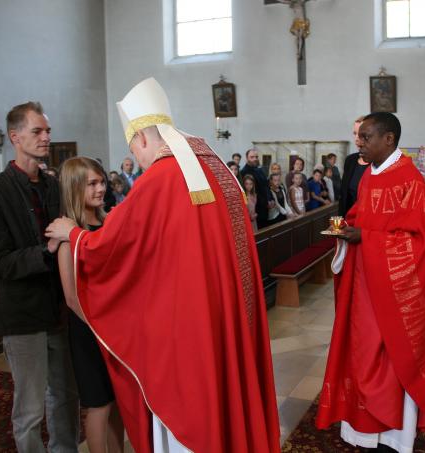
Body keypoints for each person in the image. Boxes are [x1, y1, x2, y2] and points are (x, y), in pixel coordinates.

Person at [45, 77, 280, 453]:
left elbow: (111, 246)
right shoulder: (216, 169)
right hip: (229, 314)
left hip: (187, 329)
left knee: (192, 414)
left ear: (141, 138)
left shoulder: (160, 178)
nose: (137, 159)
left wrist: (73, 234)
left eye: (133, 149)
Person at [316, 112, 425, 451]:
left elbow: (419, 243)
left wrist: (367, 238)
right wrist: (346, 229)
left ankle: (394, 431)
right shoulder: (369, 177)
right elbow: (360, 216)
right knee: (359, 350)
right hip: (362, 285)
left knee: (390, 355)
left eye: (366, 136)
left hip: (392, 295)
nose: (359, 142)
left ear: (388, 139)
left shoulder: (410, 181)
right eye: (359, 136)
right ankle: (361, 428)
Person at [0, 101, 80, 453]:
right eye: (38, 131)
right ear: (15, 137)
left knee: (66, 397)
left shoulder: (54, 187)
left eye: (48, 130)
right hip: (22, 315)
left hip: (58, 310)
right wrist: (45, 251)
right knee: (31, 408)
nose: (46, 137)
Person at [56, 157, 125, 453]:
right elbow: (71, 297)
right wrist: (100, 328)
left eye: (102, 182)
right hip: (89, 330)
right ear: (74, 188)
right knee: (99, 404)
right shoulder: (67, 235)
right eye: (92, 184)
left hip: (117, 327)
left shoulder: (110, 222)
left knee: (118, 401)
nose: (100, 189)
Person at [339, 115, 371, 217]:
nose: (357, 138)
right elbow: (344, 196)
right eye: (355, 133)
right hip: (349, 221)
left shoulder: (378, 162)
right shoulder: (350, 160)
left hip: (368, 222)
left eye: (361, 134)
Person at [241, 148, 271, 229]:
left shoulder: (260, 170)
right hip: (254, 209)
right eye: (252, 157)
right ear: (247, 158)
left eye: (256, 157)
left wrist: (270, 199)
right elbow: (248, 192)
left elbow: (266, 186)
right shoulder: (244, 172)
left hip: (265, 207)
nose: (255, 159)